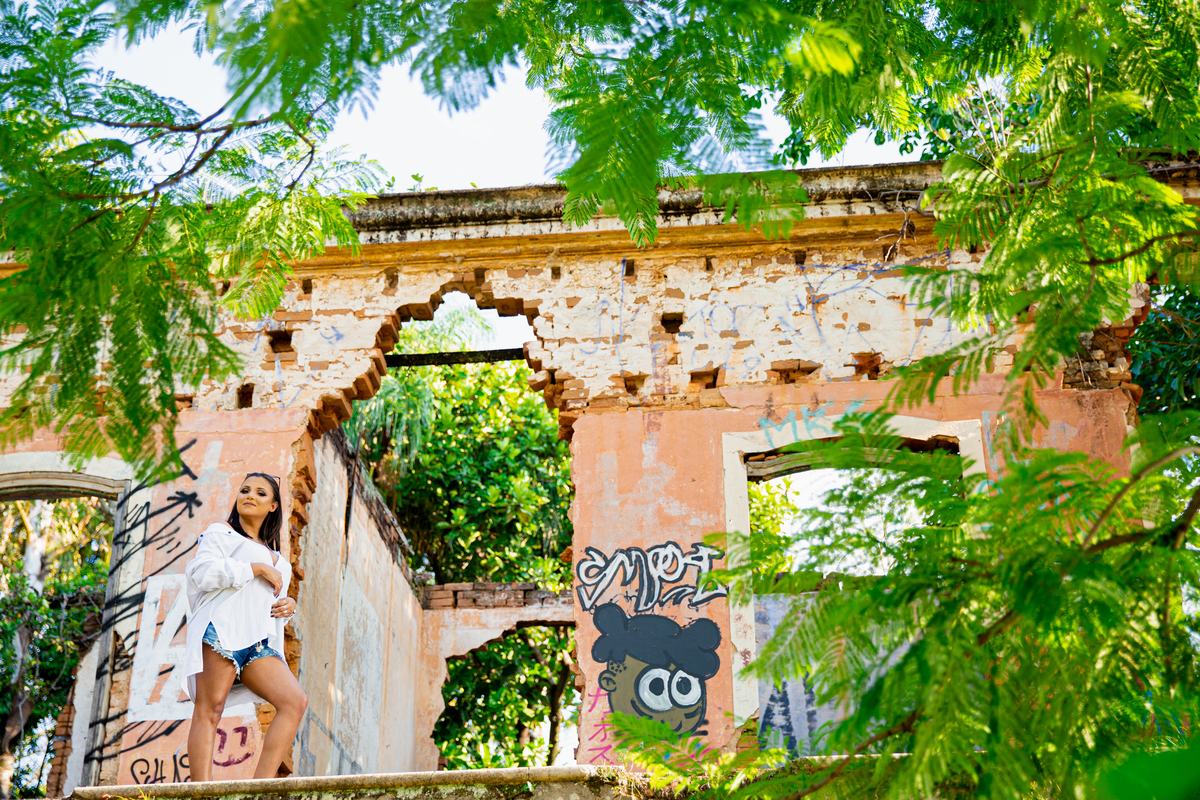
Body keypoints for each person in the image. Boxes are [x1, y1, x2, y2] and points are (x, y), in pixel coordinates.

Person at [182, 472, 308, 782]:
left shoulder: (281, 562)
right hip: (220, 630)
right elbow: (201, 572)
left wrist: (287, 608)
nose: (249, 495)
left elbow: (269, 602)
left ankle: (259, 789)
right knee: (210, 709)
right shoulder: (221, 533)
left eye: (260, 493)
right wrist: (254, 568)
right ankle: (201, 792)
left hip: (259, 643)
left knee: (294, 702)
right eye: (245, 490)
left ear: (274, 506)